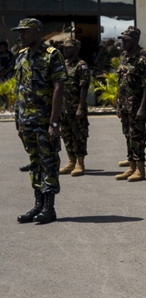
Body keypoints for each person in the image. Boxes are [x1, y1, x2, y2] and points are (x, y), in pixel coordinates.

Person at [12, 18, 66, 224]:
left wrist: (53, 123)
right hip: (27, 121)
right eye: (20, 32)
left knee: (49, 162)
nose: (21, 35)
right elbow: (20, 90)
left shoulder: (52, 55)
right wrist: (19, 120)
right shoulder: (21, 57)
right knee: (35, 163)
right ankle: (38, 205)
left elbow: (58, 88)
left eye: (25, 31)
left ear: (36, 32)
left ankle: (49, 208)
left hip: (44, 122)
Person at [115, 26, 146, 182]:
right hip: (124, 105)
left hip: (137, 105)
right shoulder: (124, 55)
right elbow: (121, 82)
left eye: (127, 40)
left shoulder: (144, 56)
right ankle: (131, 167)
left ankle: (140, 169)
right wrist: (118, 104)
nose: (123, 43)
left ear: (135, 40)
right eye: (122, 40)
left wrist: (143, 107)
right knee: (128, 136)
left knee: (137, 137)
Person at [58, 39, 90, 177]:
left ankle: (80, 162)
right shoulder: (62, 65)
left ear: (76, 49)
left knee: (79, 136)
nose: (65, 50)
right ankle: (71, 160)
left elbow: (84, 88)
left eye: (68, 48)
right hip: (64, 108)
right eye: (64, 48)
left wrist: (80, 107)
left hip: (76, 106)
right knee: (66, 135)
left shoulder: (81, 65)